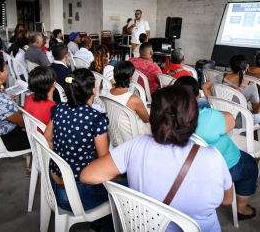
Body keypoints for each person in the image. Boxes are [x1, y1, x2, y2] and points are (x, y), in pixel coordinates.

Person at [80, 85, 233, 232]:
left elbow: (87, 175)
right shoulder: (213, 157)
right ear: (193, 121)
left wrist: (129, 171)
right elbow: (226, 200)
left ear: (154, 117)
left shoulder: (136, 146)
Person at [175, 75, 259, 220]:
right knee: (251, 166)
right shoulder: (207, 117)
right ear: (198, 96)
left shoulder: (166, 118)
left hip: (185, 169)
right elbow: (231, 121)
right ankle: (241, 208)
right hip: (225, 167)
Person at [44, 69, 113, 230]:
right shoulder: (96, 119)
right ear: (93, 90)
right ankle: (101, 225)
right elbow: (104, 161)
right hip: (80, 195)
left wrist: (65, 154)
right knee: (127, 185)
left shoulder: (59, 109)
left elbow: (47, 138)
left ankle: (100, 222)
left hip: (55, 187)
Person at [202, 54, 260, 128]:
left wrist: (214, 102)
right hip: (239, 122)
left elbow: (204, 86)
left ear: (230, 67)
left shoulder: (222, 77)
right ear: (247, 67)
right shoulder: (251, 85)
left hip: (221, 118)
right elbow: (256, 109)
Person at [0, 56, 30, 155]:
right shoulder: (1, 101)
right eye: (5, 69)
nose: (7, 72)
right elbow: (23, 123)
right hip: (5, 140)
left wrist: (9, 102)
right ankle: (32, 169)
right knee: (44, 138)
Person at [105, 61, 151, 141]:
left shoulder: (107, 93)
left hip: (116, 136)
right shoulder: (133, 100)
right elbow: (146, 119)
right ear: (131, 77)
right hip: (134, 137)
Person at [24, 66, 56, 130]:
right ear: (54, 83)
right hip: (45, 138)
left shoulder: (28, 98)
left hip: (33, 135)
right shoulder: (52, 108)